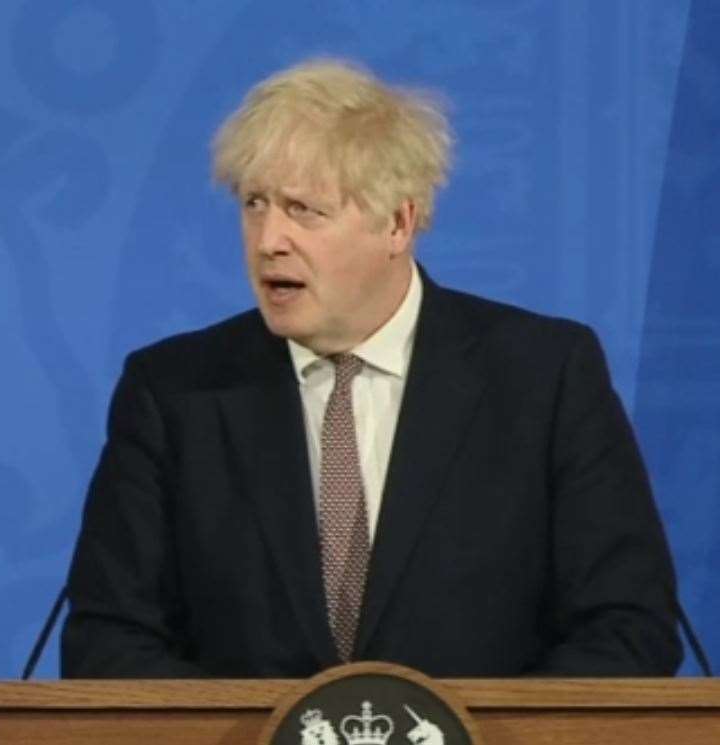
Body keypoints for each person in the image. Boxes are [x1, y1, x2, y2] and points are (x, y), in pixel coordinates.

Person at [61, 59, 682, 678]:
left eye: (304, 209)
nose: (268, 238)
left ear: (398, 223)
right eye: (254, 204)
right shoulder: (176, 392)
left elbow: (626, 628)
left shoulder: (542, 377)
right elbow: (108, 642)